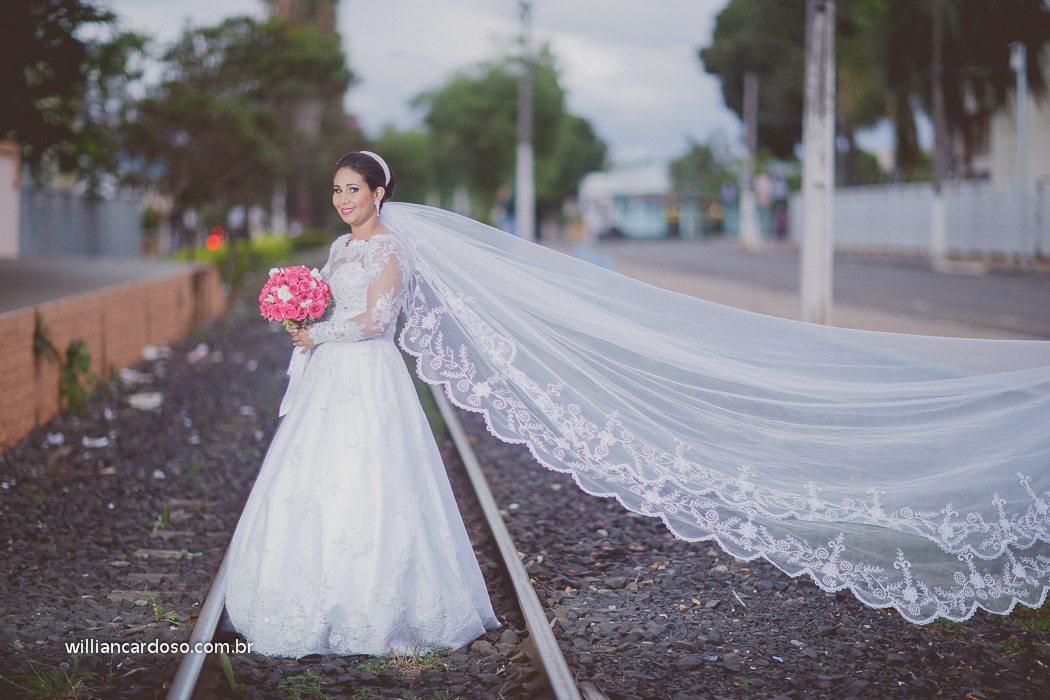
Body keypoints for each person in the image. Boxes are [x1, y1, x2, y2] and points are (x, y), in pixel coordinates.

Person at [222, 151, 499, 658]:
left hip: (370, 373)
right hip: (327, 374)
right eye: (337, 190)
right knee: (313, 476)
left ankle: (380, 604)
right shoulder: (339, 245)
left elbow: (374, 320)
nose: (344, 200)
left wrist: (315, 332)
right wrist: (295, 302)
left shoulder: (388, 250)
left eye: (354, 189)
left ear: (379, 194)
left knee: (371, 475)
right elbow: (326, 298)